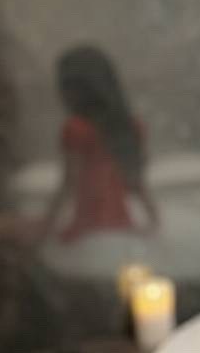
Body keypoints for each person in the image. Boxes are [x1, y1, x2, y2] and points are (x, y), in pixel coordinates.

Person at [34, 45, 159, 243]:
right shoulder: (131, 127)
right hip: (123, 229)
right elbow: (136, 182)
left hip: (86, 231)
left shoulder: (76, 129)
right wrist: (154, 221)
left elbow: (69, 183)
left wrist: (45, 227)